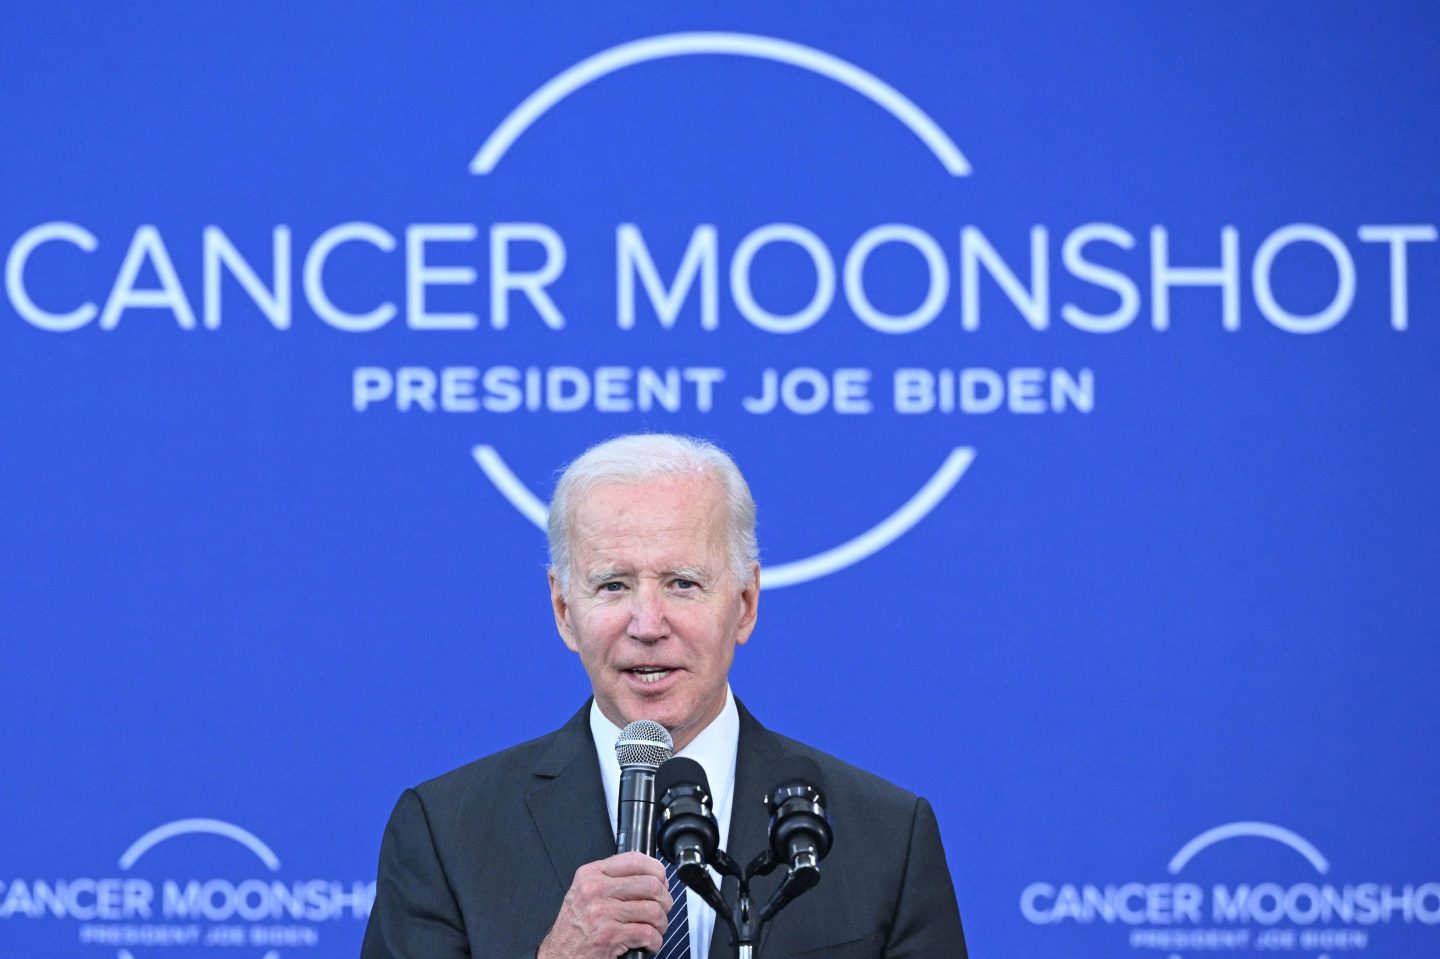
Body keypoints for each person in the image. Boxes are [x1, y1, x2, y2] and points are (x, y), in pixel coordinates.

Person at [361, 434, 968, 959]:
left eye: (683, 583)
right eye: (613, 584)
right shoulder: (446, 832)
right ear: (564, 609)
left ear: (745, 604)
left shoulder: (885, 836)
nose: (647, 623)